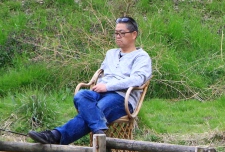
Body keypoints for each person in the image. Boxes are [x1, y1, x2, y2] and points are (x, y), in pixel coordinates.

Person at [28, 16, 152, 145]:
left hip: (122, 97)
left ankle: (55, 135)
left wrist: (108, 86)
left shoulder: (141, 57)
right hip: (99, 92)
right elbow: (102, 73)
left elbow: (137, 79)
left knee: (97, 109)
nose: (118, 36)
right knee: (81, 95)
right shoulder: (111, 53)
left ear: (134, 34)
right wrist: (99, 85)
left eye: (122, 33)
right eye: (116, 33)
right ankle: (99, 131)